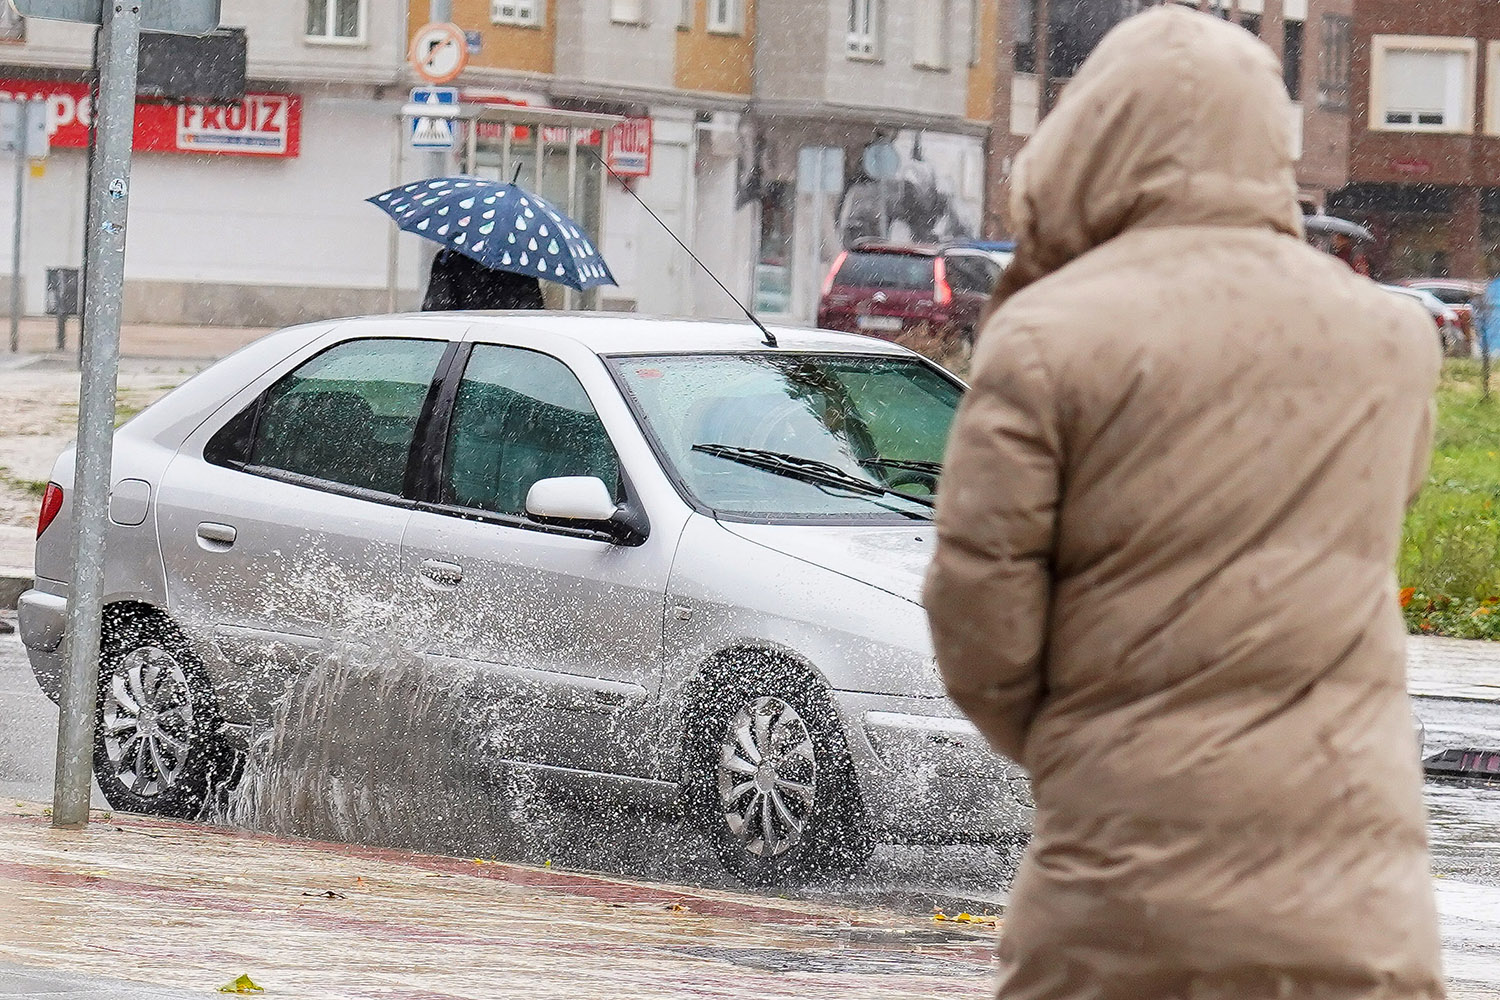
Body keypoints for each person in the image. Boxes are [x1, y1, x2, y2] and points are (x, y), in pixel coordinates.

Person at [924, 8, 1442, 1000]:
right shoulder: (1391, 340)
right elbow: (1377, 517)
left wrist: (1087, 741)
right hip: (1357, 898)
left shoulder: (1045, 338)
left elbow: (978, 618)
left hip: (1120, 895)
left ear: (1097, 134)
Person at [421, 249, 545, 311]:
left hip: (464, 342)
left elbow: (437, 309)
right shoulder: (521, 263)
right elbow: (532, 311)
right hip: (510, 348)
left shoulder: (449, 259)